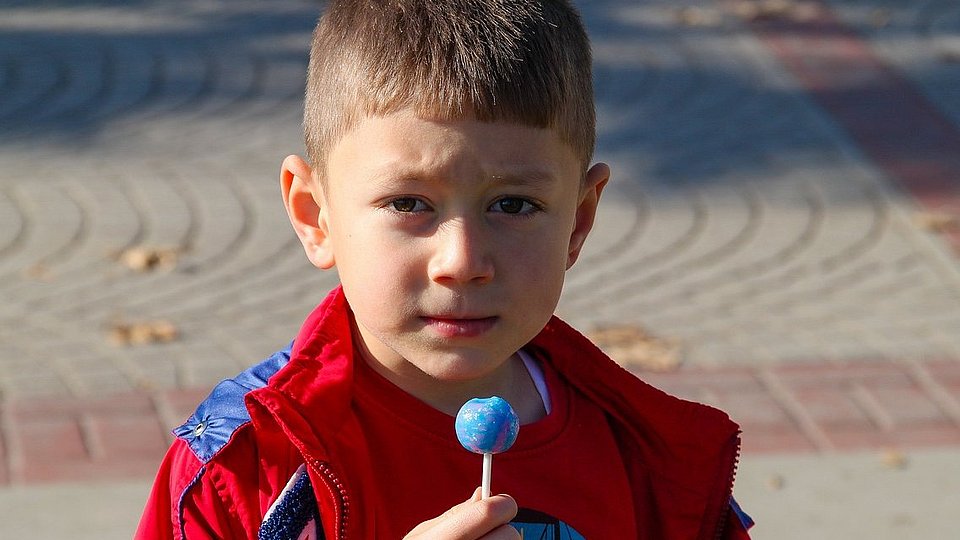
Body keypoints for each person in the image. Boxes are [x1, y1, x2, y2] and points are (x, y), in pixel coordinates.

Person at [137, 0, 753, 538]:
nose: (462, 262)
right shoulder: (244, 473)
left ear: (579, 221)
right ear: (314, 214)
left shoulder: (651, 462)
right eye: (409, 203)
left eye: (514, 205)